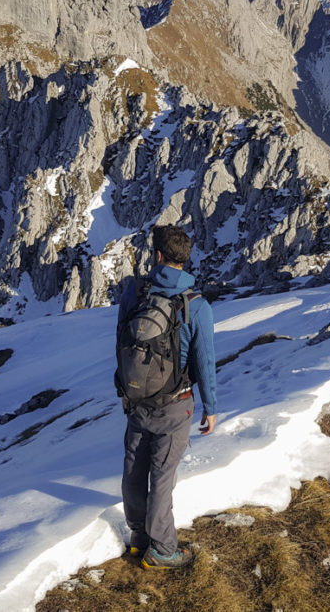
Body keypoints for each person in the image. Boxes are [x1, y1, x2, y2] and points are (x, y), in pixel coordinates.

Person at [118, 224, 217, 570]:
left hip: (136, 399)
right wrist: (211, 407)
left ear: (157, 256)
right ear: (185, 260)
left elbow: (121, 340)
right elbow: (204, 361)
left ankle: (138, 537)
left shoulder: (134, 293)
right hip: (175, 404)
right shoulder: (196, 305)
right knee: (161, 475)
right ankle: (162, 548)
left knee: (134, 468)